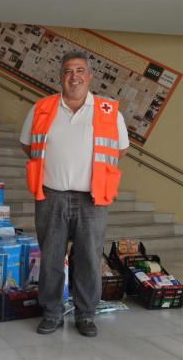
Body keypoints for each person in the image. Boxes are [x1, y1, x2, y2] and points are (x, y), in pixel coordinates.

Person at [20, 51, 129, 337]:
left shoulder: (108, 110)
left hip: (92, 198)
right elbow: (28, 145)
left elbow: (120, 150)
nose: (74, 76)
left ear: (90, 76)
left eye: (80, 70)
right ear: (61, 76)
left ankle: (85, 314)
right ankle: (52, 312)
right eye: (68, 70)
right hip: (51, 194)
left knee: (89, 259)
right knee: (52, 256)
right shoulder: (42, 107)